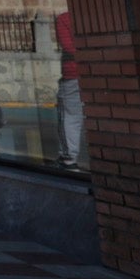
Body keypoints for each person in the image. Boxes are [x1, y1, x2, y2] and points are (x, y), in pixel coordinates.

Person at [55, 10, 83, 169]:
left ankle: (68, 159)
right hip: (98, 72)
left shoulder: (64, 19)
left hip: (72, 74)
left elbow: (68, 47)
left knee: (69, 116)